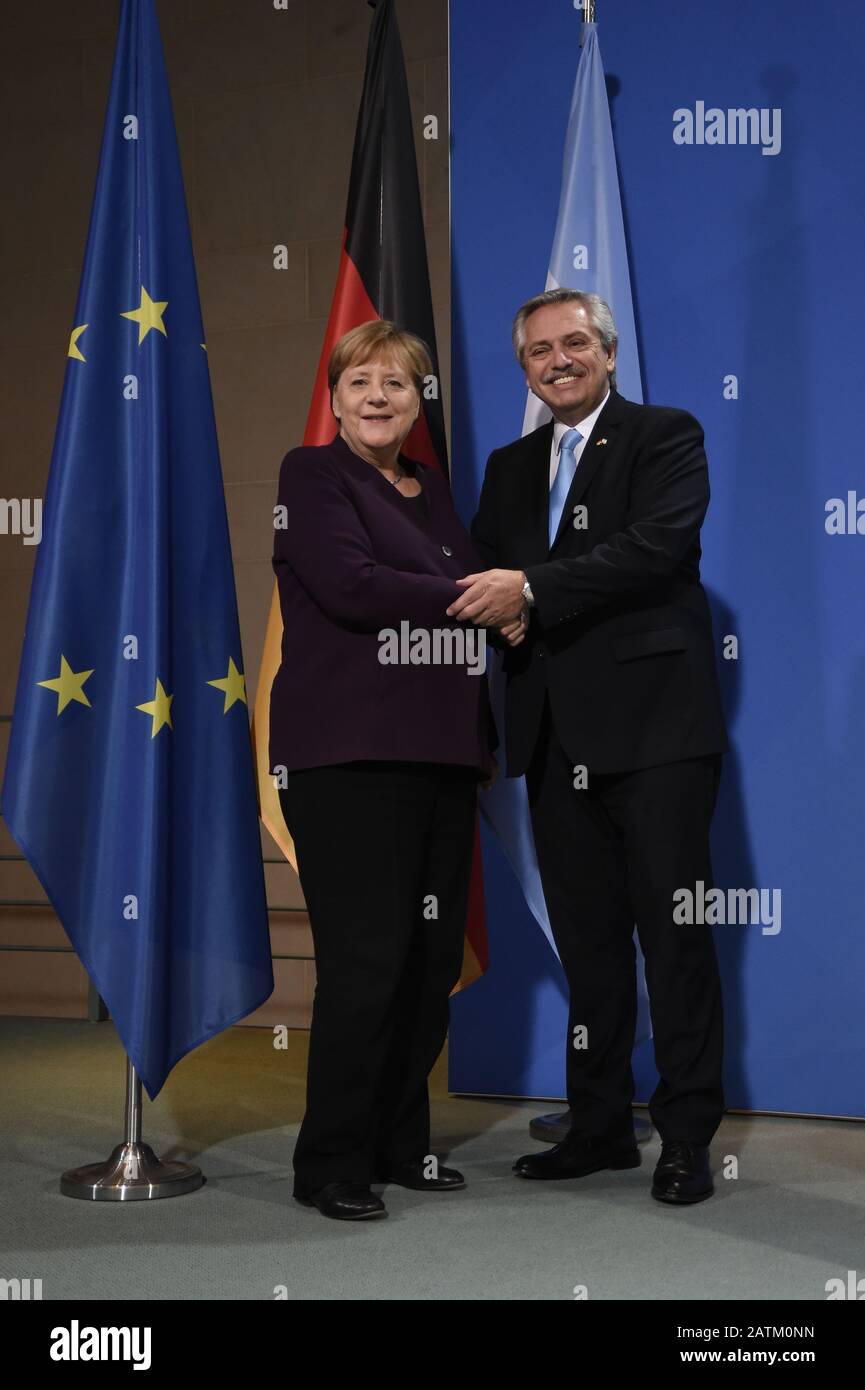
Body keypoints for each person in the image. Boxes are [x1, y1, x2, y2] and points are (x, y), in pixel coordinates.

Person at [450, 288, 729, 1204]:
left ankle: (685, 1136)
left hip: (655, 736)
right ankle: (600, 1125)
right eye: (538, 350)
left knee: (674, 941)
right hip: (551, 736)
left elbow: (654, 548)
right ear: (523, 367)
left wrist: (527, 591)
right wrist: (506, 612)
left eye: (574, 343)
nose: (557, 360)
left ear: (607, 354)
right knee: (590, 948)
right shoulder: (507, 465)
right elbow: (481, 585)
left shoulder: (663, 435)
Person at [269, 320, 505, 1221]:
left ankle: (401, 1145)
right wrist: (486, 599)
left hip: (443, 755)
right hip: (347, 756)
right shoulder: (311, 474)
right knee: (365, 962)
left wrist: (494, 607)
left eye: (397, 384)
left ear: (418, 402)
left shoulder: (435, 490)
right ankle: (330, 1162)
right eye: (361, 381)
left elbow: (463, 593)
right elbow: (350, 585)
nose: (379, 397)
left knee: (426, 960)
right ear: (335, 398)